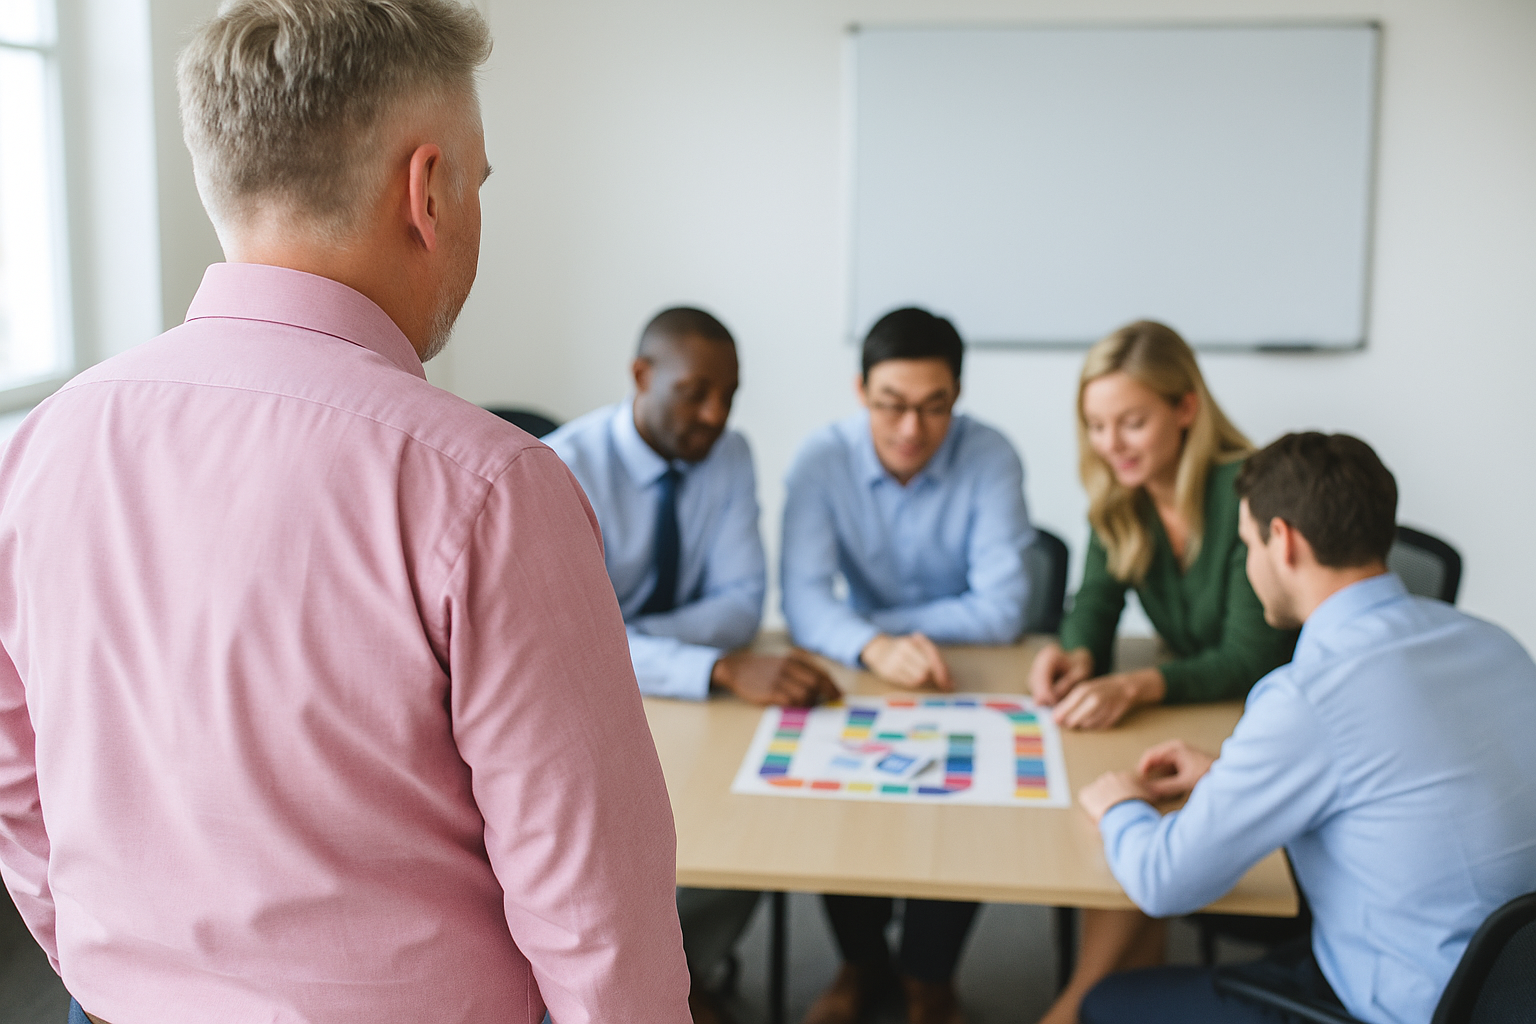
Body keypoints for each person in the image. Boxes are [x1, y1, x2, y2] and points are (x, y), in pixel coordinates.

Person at [0, 3, 688, 1023]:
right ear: (427, 192)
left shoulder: (35, 447)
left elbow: (21, 786)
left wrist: (121, 981)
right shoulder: (490, 487)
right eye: (477, 179)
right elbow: (596, 918)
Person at [1076, 432, 1536, 1024]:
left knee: (1109, 1005)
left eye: (1247, 546)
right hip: (1506, 987)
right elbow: (1408, 778)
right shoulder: (1495, 644)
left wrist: (1117, 806)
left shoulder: (1311, 694)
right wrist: (1227, 774)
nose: (1249, 566)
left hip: (1400, 1003)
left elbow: (1163, 880)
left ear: (1283, 542)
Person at [545, 306, 839, 1024]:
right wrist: (708, 667)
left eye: (729, 395)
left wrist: (625, 633)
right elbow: (561, 645)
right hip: (585, 707)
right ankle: (657, 987)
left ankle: (686, 973)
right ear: (642, 376)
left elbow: (741, 605)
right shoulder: (559, 468)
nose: (715, 414)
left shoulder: (727, 454)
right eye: (695, 392)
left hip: (680, 700)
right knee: (616, 841)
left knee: (749, 830)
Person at [1026, 320, 1299, 1024]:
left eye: (1131, 422)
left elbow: (1251, 658)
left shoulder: (1250, 490)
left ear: (1185, 409)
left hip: (1264, 728)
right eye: (1095, 425)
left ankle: (1073, 1009)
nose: (1110, 444)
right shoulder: (1122, 493)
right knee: (1123, 813)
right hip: (1189, 719)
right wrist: (1078, 653)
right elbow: (1095, 599)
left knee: (1136, 818)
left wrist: (1137, 683)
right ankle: (1086, 1007)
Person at [782, 307, 1035, 1024]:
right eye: (892, 404)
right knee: (838, 800)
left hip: (966, 673)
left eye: (934, 407)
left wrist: (869, 630)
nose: (911, 430)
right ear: (861, 390)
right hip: (861, 670)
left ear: (957, 397)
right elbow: (802, 602)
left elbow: (1005, 609)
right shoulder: (820, 459)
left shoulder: (992, 456)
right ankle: (862, 965)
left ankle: (930, 979)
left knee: (974, 803)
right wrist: (869, 648)